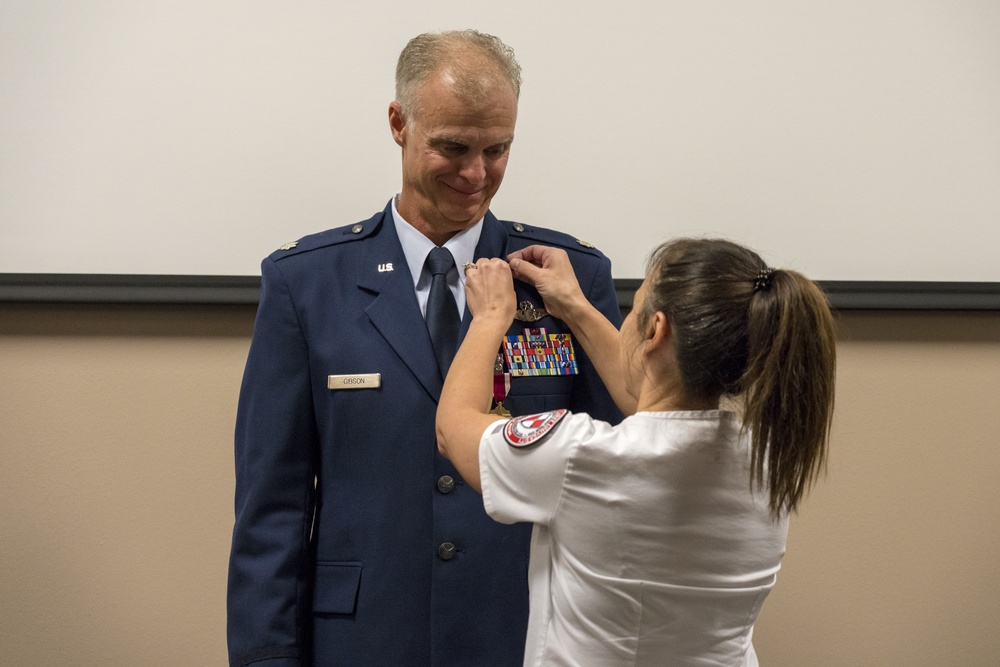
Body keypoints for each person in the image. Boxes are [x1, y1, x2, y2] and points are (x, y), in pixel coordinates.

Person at [226, 30, 622, 667]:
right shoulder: (307, 283)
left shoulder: (568, 280)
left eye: (498, 150)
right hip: (364, 637)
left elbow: (621, 479)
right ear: (398, 124)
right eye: (453, 148)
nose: (476, 174)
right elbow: (272, 508)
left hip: (525, 634)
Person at [436, 238, 837, 666]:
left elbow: (454, 428)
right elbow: (653, 403)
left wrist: (490, 317)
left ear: (654, 330)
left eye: (633, 308)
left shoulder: (581, 457)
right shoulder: (767, 459)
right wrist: (573, 305)